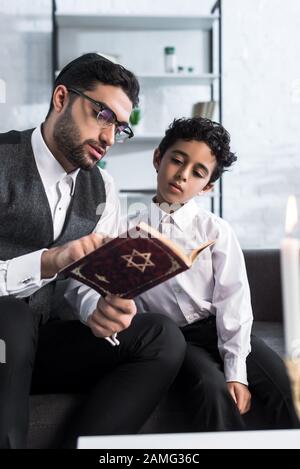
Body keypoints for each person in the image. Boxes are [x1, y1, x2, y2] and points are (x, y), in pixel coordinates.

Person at [0, 53, 186, 449]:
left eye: (120, 128)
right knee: (11, 318)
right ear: (62, 98)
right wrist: (47, 262)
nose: (109, 138)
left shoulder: (103, 187)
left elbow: (81, 284)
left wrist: (96, 309)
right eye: (102, 115)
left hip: (46, 345)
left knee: (162, 339)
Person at [123, 117, 300, 431]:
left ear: (207, 187)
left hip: (218, 327)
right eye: (177, 160)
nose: (182, 175)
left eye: (197, 172)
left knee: (285, 386)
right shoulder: (125, 230)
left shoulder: (215, 230)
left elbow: (234, 301)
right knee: (210, 390)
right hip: (175, 339)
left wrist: (236, 371)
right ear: (157, 158)